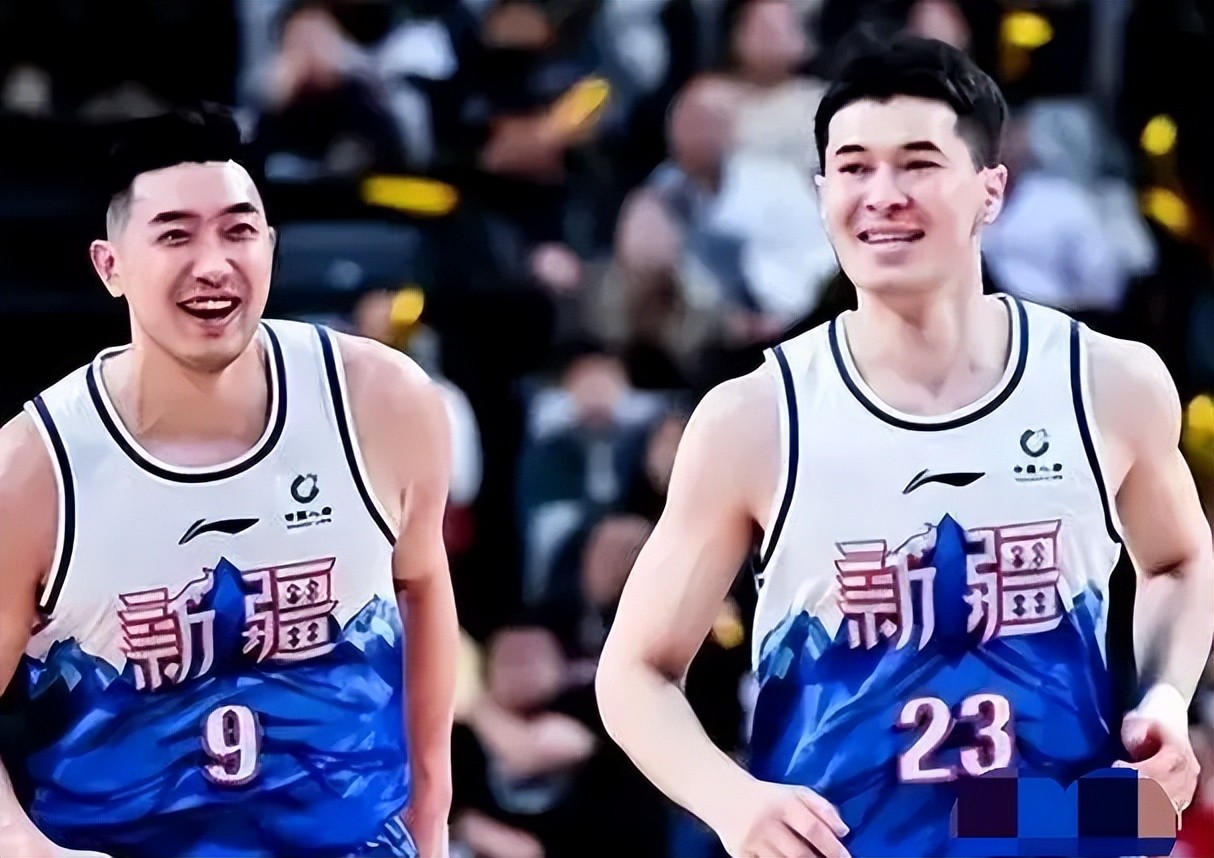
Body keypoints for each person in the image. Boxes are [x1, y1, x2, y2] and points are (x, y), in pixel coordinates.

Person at [595, 34, 1214, 858]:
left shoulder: (1107, 380)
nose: (882, 194)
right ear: (822, 194)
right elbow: (632, 673)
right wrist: (731, 801)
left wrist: (1167, 696)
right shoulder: (754, 417)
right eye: (854, 168)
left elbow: (1179, 560)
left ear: (990, 190)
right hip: (858, 839)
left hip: (1066, 828)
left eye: (918, 164)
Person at [0, 106, 459, 857]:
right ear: (110, 267)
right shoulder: (32, 469)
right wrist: (18, 839)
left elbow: (423, 584)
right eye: (175, 235)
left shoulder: (382, 401)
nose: (213, 263)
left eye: (238, 231)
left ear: (270, 247)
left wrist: (432, 808)